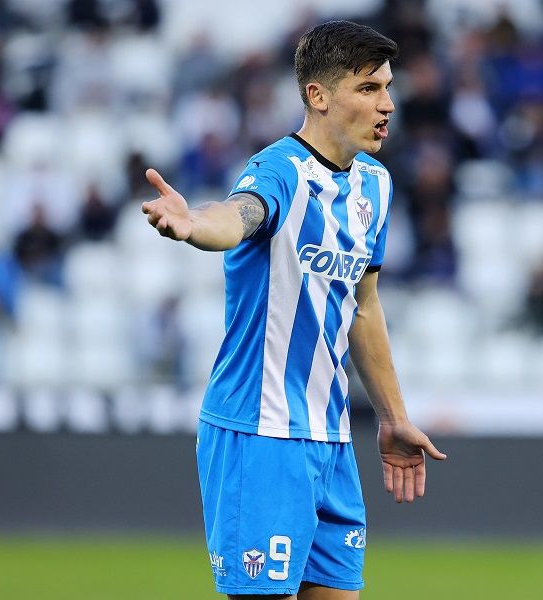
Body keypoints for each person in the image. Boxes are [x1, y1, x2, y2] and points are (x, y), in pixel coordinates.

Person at [141, 20, 446, 600]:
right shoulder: (279, 171)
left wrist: (392, 416)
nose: (387, 104)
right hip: (261, 432)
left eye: (387, 87)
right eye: (368, 88)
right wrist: (194, 224)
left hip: (330, 437)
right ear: (318, 95)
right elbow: (239, 215)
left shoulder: (375, 185)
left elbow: (363, 306)